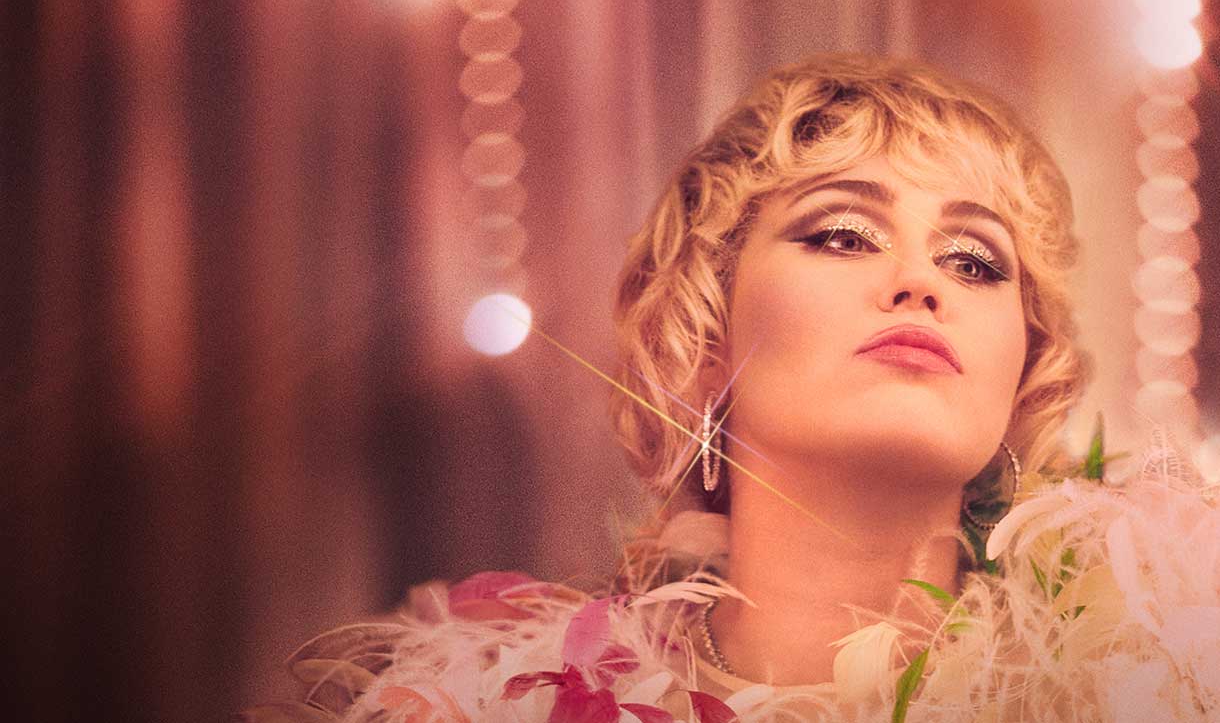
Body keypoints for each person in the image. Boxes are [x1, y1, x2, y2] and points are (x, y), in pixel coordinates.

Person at [245, 53, 1219, 722]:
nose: (920, 281)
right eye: (842, 233)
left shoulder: (1174, 682)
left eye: (973, 260)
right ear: (705, 338)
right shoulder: (481, 706)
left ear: (1025, 368)